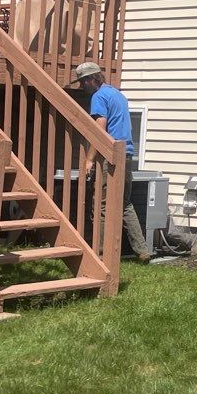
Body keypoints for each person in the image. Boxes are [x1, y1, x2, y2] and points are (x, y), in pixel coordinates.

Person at [71, 61, 150, 261]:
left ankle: (100, 254)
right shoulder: (118, 95)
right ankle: (142, 250)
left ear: (93, 78)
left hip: (111, 154)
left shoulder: (99, 96)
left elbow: (100, 128)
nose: (82, 86)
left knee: (102, 205)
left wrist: (89, 160)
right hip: (127, 153)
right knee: (124, 204)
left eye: (83, 81)